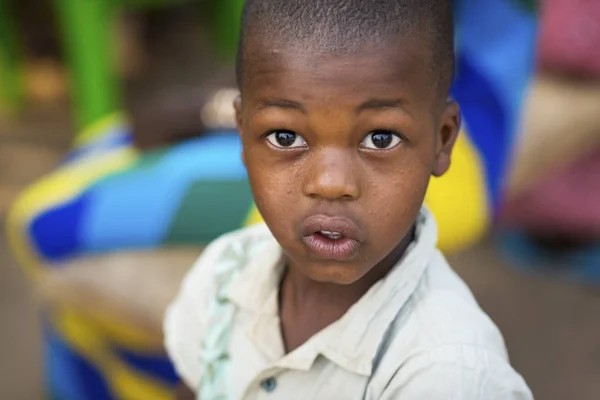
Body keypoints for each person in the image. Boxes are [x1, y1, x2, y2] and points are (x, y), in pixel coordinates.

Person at [164, 1, 532, 399]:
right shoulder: (224, 275)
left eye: (381, 138)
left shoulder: (445, 376)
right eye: (286, 137)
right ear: (243, 133)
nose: (330, 183)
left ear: (442, 140)